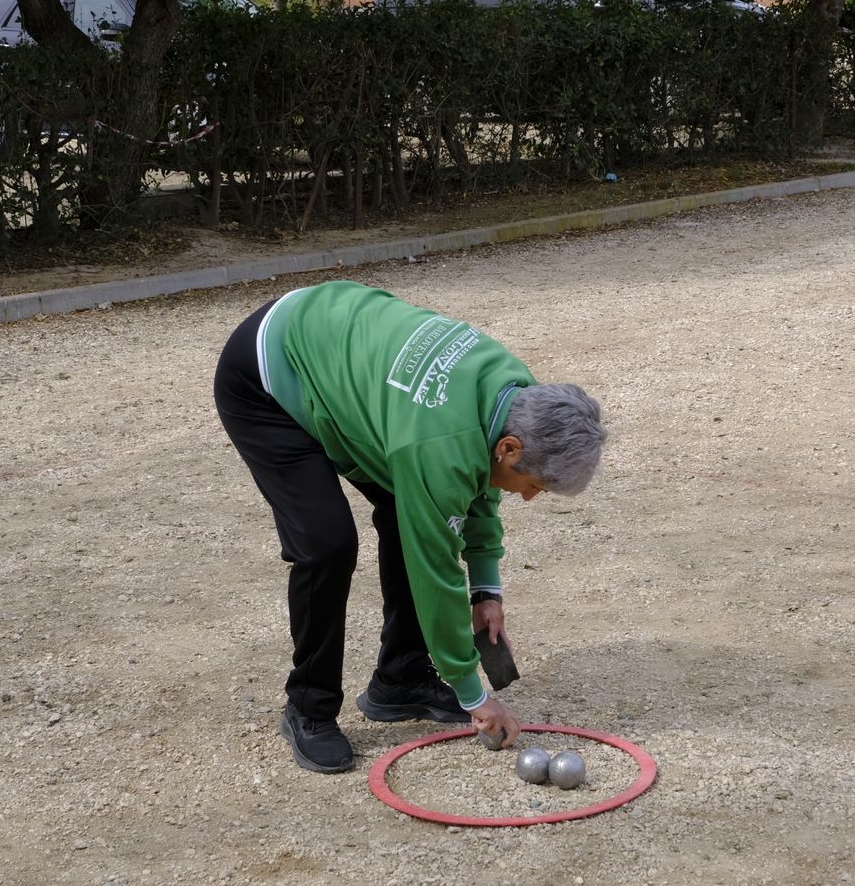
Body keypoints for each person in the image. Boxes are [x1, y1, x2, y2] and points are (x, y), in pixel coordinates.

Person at [212, 280, 607, 773]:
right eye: (535, 485)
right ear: (511, 448)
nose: (529, 496)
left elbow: (477, 481)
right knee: (327, 544)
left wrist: (486, 590)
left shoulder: (519, 395)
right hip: (267, 372)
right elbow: (434, 568)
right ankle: (308, 708)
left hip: (341, 355)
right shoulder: (441, 444)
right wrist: (473, 694)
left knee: (412, 510)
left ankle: (399, 679)